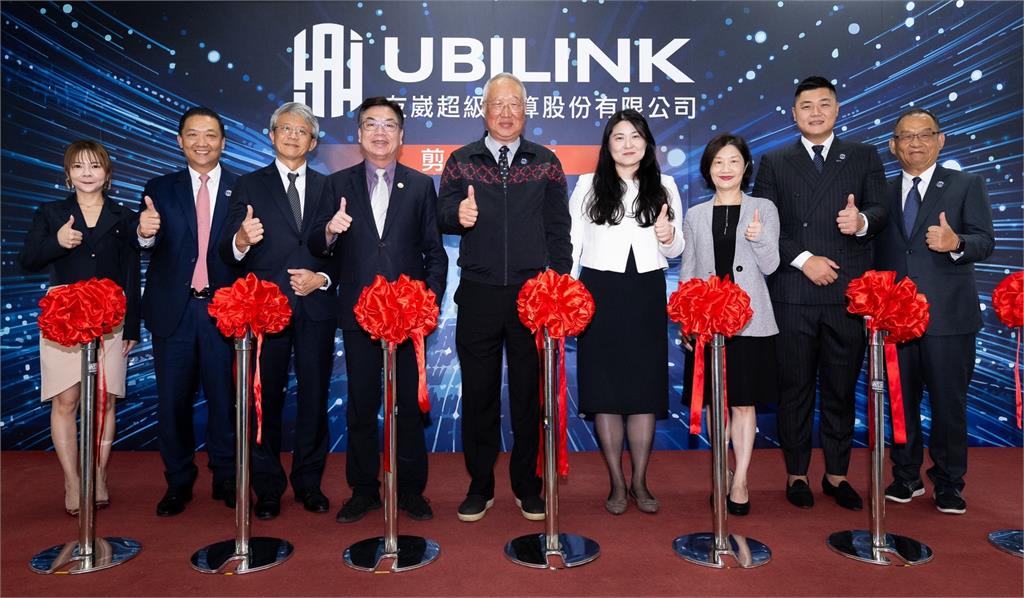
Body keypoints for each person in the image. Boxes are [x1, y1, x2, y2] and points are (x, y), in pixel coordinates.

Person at [437, 73, 572, 522]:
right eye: (498, 104)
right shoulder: (461, 160)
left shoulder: (546, 162)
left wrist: (557, 284)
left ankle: (527, 486)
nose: (506, 112)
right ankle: (480, 486)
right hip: (478, 292)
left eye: (515, 104)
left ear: (526, 111)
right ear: (484, 111)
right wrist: (457, 214)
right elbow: (440, 214)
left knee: (529, 396)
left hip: (532, 296)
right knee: (479, 395)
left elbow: (559, 229)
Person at [308, 97, 447, 523]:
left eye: (389, 125)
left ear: (401, 135)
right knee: (362, 405)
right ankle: (363, 490)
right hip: (359, 314)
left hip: (407, 317)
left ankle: (411, 490)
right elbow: (316, 246)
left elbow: (434, 253)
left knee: (408, 405)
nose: (380, 132)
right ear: (359, 133)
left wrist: (428, 301)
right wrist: (329, 231)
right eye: (371, 124)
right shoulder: (337, 184)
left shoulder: (420, 185)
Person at [751, 76, 888, 510]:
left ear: (837, 109)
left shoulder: (863, 156)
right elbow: (763, 224)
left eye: (824, 104)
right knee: (794, 388)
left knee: (840, 388)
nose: (815, 112)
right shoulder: (775, 161)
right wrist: (804, 259)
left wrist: (861, 222)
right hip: (794, 290)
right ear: (794, 114)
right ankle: (796, 474)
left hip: (847, 291)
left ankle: (837, 474)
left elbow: (881, 209)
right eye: (806, 106)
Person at [219, 102, 337, 520]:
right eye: (285, 129)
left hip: (316, 307)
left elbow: (342, 251)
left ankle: (309, 483)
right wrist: (241, 239)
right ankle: (267, 487)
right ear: (271, 136)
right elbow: (227, 251)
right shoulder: (248, 185)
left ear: (313, 142)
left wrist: (321, 278)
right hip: (265, 310)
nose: (293, 136)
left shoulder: (330, 186)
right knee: (263, 400)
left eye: (302, 131)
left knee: (314, 398)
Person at [874, 108, 994, 514]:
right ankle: (906, 475)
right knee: (900, 403)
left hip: (948, 318)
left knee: (948, 405)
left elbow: (985, 240)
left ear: (940, 141)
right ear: (893, 145)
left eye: (925, 134)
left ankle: (948, 482)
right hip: (894, 319)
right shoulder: (881, 192)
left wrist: (956, 242)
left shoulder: (965, 184)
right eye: (906, 136)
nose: (916, 143)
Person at [568, 109, 684, 515]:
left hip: (645, 291)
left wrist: (668, 235)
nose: (628, 144)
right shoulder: (588, 184)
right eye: (619, 137)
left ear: (647, 143)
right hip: (599, 291)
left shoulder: (666, 185)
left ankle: (640, 480)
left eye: (635, 136)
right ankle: (617, 482)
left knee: (642, 390)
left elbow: (677, 248)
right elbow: (573, 243)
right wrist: (567, 294)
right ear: (608, 145)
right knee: (606, 390)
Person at [19, 140, 141, 516]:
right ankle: (72, 480)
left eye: (94, 166)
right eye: (78, 166)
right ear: (68, 174)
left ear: (107, 173)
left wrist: (132, 327)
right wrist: (56, 242)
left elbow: (131, 273)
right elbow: (28, 260)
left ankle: (98, 474)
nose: (87, 173)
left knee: (105, 401)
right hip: (64, 316)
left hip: (111, 317)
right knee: (66, 401)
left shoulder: (124, 216)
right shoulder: (51, 213)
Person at [138, 107, 240, 517]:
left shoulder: (242, 187)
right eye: (193, 134)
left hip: (223, 310)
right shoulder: (159, 188)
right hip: (174, 311)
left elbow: (244, 251)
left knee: (225, 400)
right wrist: (144, 233)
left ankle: (226, 476)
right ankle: (178, 480)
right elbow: (148, 243)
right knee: (172, 403)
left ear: (223, 142)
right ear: (180, 140)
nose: (202, 142)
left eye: (211, 135)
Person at [680, 134, 780, 516]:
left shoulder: (763, 208)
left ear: (746, 167)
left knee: (742, 403)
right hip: (708, 324)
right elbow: (689, 272)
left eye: (734, 161)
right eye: (718, 162)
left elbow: (771, 265)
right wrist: (687, 321)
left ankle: (740, 480)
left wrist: (759, 239)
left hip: (749, 324)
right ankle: (721, 471)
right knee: (714, 402)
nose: (726, 168)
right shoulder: (695, 215)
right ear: (708, 169)